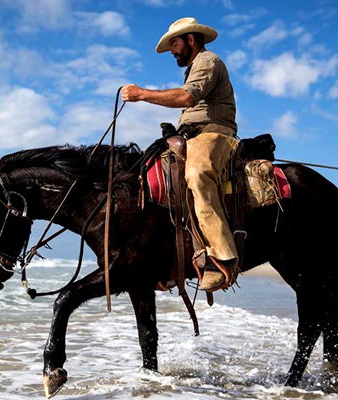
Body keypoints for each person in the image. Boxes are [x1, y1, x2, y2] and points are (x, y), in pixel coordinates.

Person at [122, 17, 239, 292]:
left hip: (214, 133)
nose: (172, 50)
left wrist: (141, 95)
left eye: (174, 43)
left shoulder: (209, 61)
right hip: (191, 135)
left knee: (197, 176)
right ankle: (170, 258)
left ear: (190, 39)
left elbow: (187, 98)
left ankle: (222, 258)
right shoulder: (193, 67)